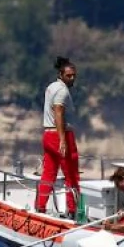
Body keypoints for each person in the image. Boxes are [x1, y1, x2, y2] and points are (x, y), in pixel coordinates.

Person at [36, 57, 80, 216]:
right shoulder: (62, 90)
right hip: (60, 135)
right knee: (71, 174)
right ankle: (74, 210)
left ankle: (40, 206)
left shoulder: (51, 87)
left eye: (74, 75)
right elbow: (58, 111)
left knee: (49, 172)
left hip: (48, 134)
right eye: (69, 75)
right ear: (61, 75)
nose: (72, 78)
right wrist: (62, 139)